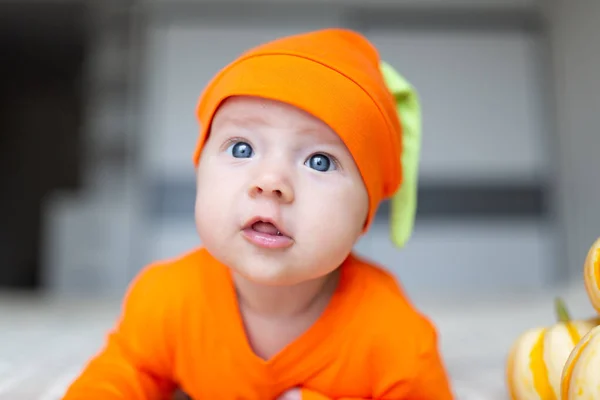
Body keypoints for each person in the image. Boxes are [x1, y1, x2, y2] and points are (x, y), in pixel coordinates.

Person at [62, 28, 454, 400]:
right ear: (200, 170)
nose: (271, 182)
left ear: (365, 213)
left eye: (319, 161)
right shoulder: (167, 301)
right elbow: (123, 372)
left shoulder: (393, 336)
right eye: (242, 149)